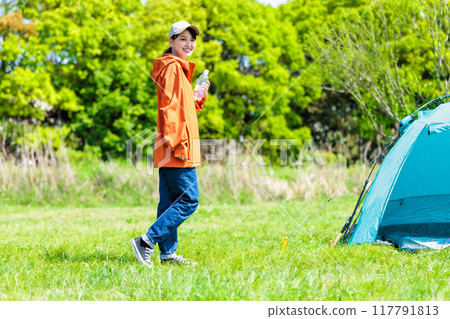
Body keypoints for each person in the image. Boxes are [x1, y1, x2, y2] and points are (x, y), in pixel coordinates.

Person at [131, 21, 210, 268]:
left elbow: (182, 108)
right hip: (177, 144)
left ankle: (167, 253)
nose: (189, 44)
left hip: (170, 144)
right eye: (183, 39)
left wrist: (197, 95)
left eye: (192, 40)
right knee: (189, 201)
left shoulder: (176, 69)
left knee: (169, 202)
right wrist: (178, 143)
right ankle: (146, 241)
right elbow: (170, 112)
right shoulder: (174, 68)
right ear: (171, 42)